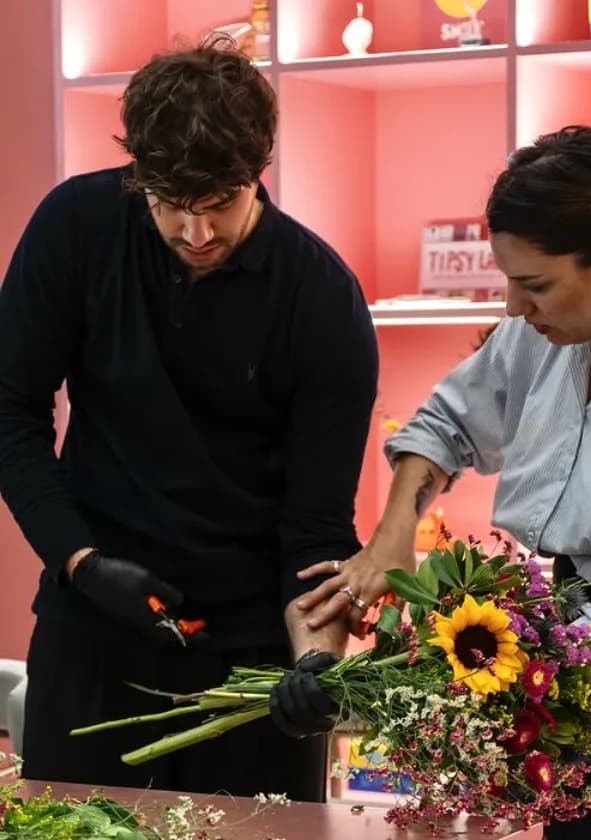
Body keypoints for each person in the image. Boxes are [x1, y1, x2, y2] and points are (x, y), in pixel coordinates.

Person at [294, 126, 591, 840]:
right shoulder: (548, 331)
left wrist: (429, 688)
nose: (513, 308)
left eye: (533, 284)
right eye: (507, 281)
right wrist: (392, 536)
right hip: (578, 640)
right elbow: (445, 423)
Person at [0, 37, 378, 800]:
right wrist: (80, 561)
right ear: (137, 171)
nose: (195, 233)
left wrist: (316, 665)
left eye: (219, 206)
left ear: (258, 173)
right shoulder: (76, 228)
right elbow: (9, 411)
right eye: (170, 203)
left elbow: (315, 525)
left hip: (253, 658)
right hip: (91, 629)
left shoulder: (321, 299)